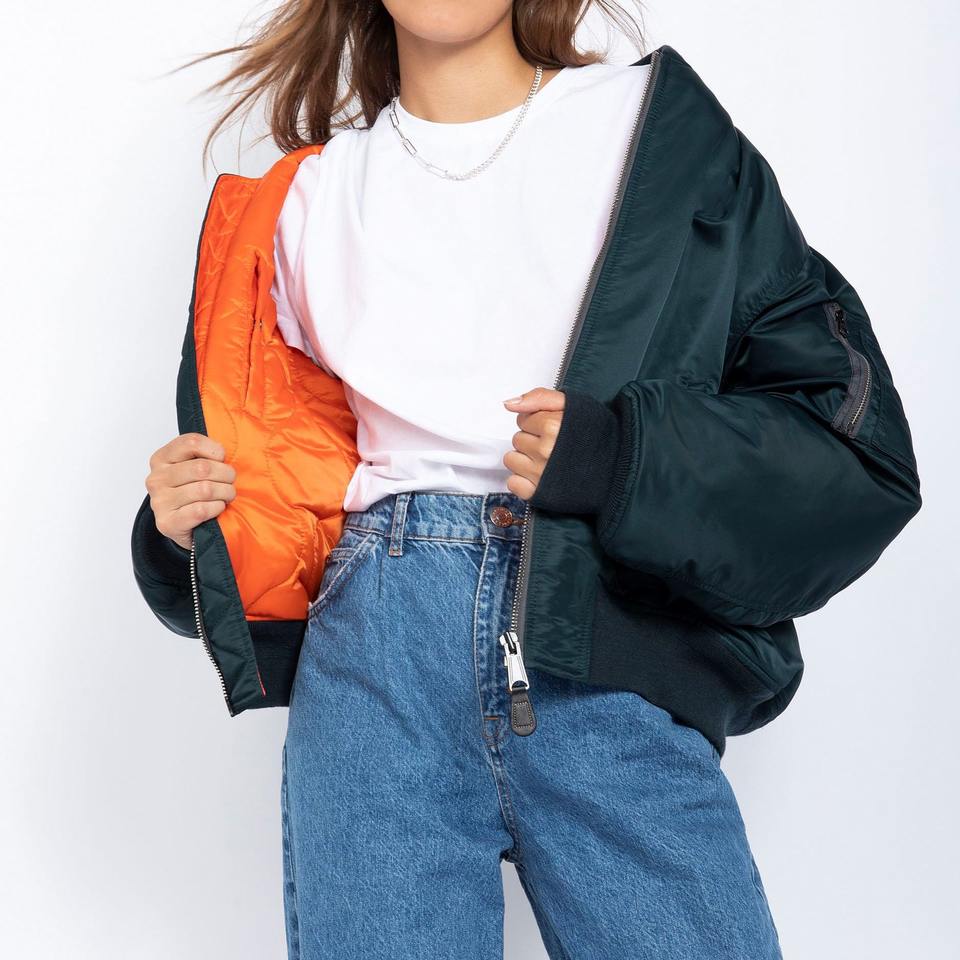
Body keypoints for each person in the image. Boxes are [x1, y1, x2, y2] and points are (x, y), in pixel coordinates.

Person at [130, 2, 922, 957]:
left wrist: (616, 457)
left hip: (605, 643)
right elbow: (284, 482)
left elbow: (846, 436)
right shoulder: (302, 200)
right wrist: (183, 529)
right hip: (372, 672)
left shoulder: (653, 134)